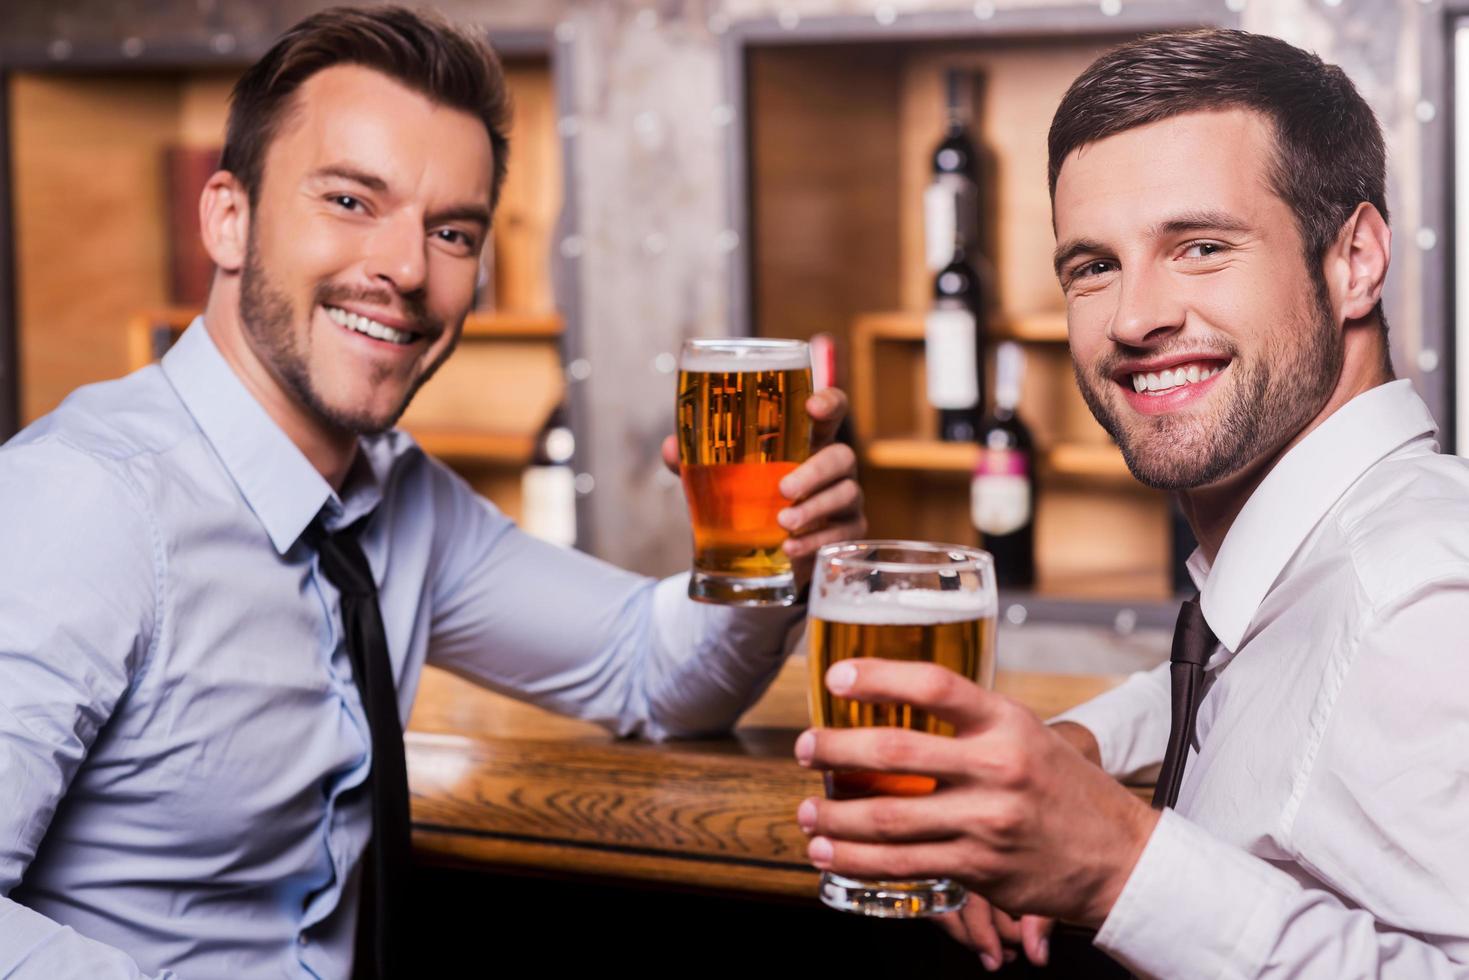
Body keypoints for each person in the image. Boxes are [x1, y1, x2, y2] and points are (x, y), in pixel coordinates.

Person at [0, 7, 866, 979]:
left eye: (451, 231)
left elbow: (646, 666)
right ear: (227, 218)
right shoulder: (84, 503)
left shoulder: (395, 499)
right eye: (350, 201)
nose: (406, 269)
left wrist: (769, 562)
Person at [794, 27, 1469, 978]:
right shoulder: (1314, 574)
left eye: (1199, 246)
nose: (1131, 318)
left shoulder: (1425, 601)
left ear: (1353, 258)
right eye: (1093, 266)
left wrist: (1114, 866)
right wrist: (1070, 754)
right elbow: (1265, 694)